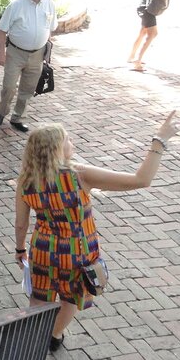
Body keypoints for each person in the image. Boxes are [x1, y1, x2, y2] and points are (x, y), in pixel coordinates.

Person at [15, 111, 179, 352]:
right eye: (67, 140)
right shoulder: (79, 175)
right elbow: (141, 180)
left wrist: (20, 248)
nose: (72, 143)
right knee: (69, 298)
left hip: (42, 249)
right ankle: (54, 335)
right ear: (56, 150)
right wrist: (160, 140)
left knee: (39, 296)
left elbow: (21, 224)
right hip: (77, 252)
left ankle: (34, 337)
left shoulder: (26, 180)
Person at [0, 0, 57, 133]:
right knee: (9, 87)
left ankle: (17, 117)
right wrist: (1, 53)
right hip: (16, 53)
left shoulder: (49, 4)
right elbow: (1, 30)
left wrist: (46, 49)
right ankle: (1, 113)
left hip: (37, 55)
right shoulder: (16, 5)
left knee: (28, 89)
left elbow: (51, 29)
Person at [128, 0, 175, 71]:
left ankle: (131, 56)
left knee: (143, 33)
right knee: (153, 34)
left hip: (150, 9)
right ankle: (137, 62)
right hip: (147, 9)